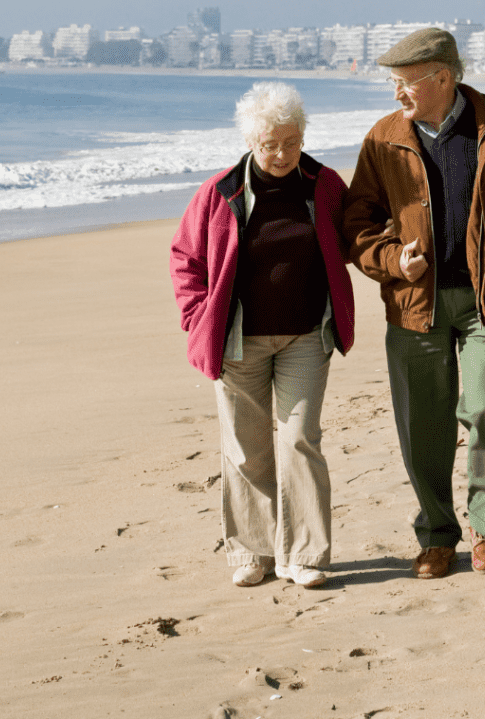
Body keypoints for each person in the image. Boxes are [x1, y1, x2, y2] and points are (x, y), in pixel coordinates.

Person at [343, 28, 485, 578]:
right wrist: (393, 261)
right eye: (394, 83)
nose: (397, 93)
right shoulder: (382, 138)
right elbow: (357, 225)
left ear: (442, 77)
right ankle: (437, 535)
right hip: (415, 306)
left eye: (406, 82)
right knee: (423, 423)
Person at [170, 82, 355, 589]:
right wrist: (197, 317)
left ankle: (306, 555)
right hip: (237, 342)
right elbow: (185, 258)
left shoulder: (324, 185)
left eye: (291, 142)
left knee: (300, 440)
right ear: (251, 142)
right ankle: (253, 552)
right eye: (270, 144)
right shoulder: (220, 192)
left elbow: (357, 235)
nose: (282, 155)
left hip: (305, 338)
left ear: (303, 138)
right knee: (246, 450)